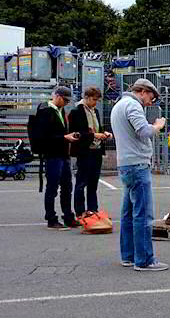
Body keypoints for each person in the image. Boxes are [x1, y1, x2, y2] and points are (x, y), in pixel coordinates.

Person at [110, 78, 168, 271]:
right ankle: (144, 260)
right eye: (151, 97)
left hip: (125, 164)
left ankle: (128, 256)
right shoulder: (133, 106)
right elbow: (144, 131)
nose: (151, 102)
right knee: (143, 214)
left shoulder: (119, 105)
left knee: (128, 214)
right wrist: (158, 125)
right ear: (142, 91)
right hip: (137, 165)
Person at [35, 86, 79, 229]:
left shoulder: (61, 111)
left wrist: (68, 136)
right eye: (65, 100)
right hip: (52, 154)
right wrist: (64, 137)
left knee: (67, 186)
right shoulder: (45, 111)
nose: (66, 103)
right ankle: (51, 218)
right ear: (58, 97)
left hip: (63, 154)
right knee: (52, 187)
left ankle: (68, 216)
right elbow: (43, 136)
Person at [68, 86, 112, 219]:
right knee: (81, 183)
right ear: (86, 97)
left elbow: (97, 127)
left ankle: (93, 209)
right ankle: (80, 212)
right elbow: (76, 133)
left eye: (97, 100)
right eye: (94, 99)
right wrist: (94, 136)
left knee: (93, 183)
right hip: (84, 151)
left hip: (97, 151)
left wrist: (104, 133)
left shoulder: (95, 111)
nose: (95, 103)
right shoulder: (76, 111)